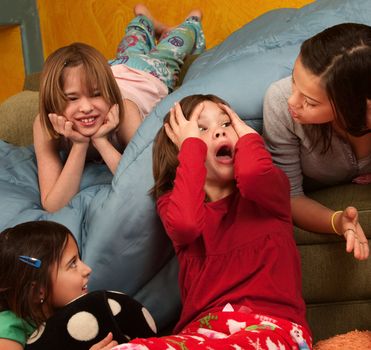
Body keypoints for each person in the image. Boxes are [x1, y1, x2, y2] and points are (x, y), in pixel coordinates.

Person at [110, 94, 312, 349]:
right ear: (181, 149)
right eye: (201, 129)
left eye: (226, 124)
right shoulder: (172, 203)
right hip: (202, 333)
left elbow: (253, 174)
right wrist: (191, 148)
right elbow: (187, 224)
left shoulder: (270, 193)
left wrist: (246, 135)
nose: (218, 133)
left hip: (275, 328)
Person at [33, 4, 205, 212]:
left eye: (96, 95)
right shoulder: (45, 124)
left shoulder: (125, 111)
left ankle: (191, 21)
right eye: (72, 98)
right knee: (132, 40)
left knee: (175, 44)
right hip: (116, 66)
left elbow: (143, 180)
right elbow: (53, 205)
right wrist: (79, 145)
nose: (86, 107)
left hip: (148, 73)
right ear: (54, 100)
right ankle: (144, 19)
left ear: (107, 94)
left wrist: (100, 141)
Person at [262, 22, 370, 260]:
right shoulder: (280, 102)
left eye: (310, 102)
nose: (293, 101)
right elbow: (288, 196)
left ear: (351, 106)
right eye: (293, 80)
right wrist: (336, 222)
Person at [0, 221, 117, 350]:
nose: (87, 269)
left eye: (79, 258)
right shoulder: (7, 328)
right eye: (72, 263)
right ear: (38, 291)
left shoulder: (66, 313)